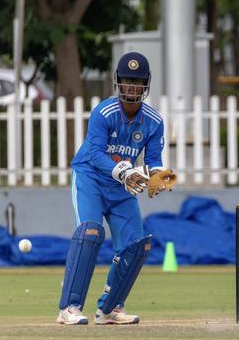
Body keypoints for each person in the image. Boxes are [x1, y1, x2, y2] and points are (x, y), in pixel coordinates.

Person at [56, 52, 177, 325]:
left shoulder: (154, 121)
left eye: (137, 82)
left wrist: (157, 176)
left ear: (146, 85)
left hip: (123, 185)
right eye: (126, 81)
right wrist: (121, 169)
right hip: (90, 177)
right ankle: (69, 308)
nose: (131, 88)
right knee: (90, 232)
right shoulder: (104, 112)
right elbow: (96, 153)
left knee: (137, 245)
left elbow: (153, 160)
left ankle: (110, 309)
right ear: (117, 83)